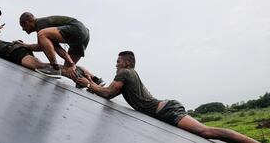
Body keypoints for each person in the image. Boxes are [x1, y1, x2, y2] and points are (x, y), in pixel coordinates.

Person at [75, 51, 259, 143]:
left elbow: (108, 94)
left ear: (127, 62)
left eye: (118, 61)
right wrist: (92, 83)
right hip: (164, 109)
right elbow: (108, 91)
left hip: (167, 110)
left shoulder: (125, 73)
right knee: (206, 132)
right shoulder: (129, 74)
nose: (116, 64)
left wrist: (88, 84)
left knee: (207, 132)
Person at [0, 28, 104, 85]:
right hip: (19, 51)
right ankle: (90, 76)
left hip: (15, 53)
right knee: (44, 65)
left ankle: (81, 78)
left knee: (43, 67)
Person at [19, 12, 89, 79]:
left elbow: (45, 46)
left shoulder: (40, 23)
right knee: (68, 70)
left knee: (41, 34)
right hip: (84, 35)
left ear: (26, 22)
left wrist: (23, 45)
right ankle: (91, 80)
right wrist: (71, 64)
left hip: (76, 28)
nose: (23, 29)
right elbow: (44, 46)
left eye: (22, 26)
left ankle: (54, 68)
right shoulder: (48, 34)